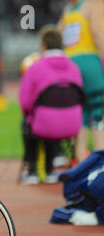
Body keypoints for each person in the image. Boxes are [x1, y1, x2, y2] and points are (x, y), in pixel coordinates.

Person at [19, 26, 83, 184]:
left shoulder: (35, 68)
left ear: (44, 46)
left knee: (32, 120)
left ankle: (32, 171)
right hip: (72, 125)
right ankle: (49, 170)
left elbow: (25, 103)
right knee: (49, 114)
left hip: (45, 124)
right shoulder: (74, 67)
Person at [58, 0, 104, 164]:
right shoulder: (92, 5)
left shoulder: (68, 9)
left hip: (71, 64)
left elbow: (58, 35)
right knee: (98, 110)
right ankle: (101, 158)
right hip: (89, 60)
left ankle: (79, 158)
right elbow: (98, 33)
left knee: (81, 112)